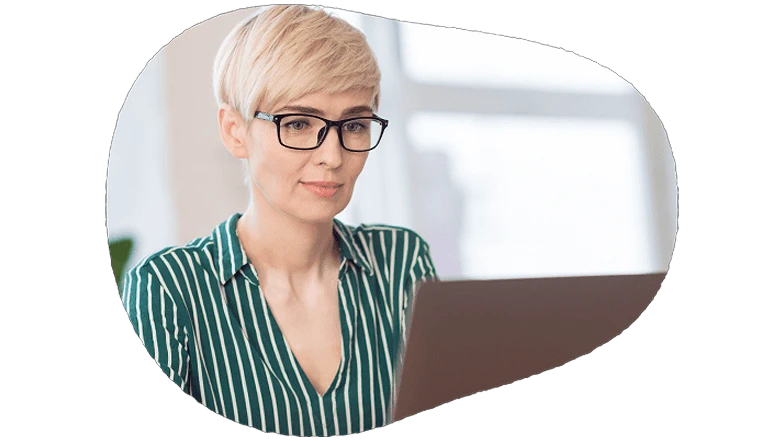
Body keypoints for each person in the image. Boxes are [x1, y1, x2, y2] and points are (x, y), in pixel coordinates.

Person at [121, 5, 438, 436]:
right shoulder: (167, 290)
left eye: (354, 124)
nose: (332, 156)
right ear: (234, 131)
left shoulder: (401, 262)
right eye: (300, 123)